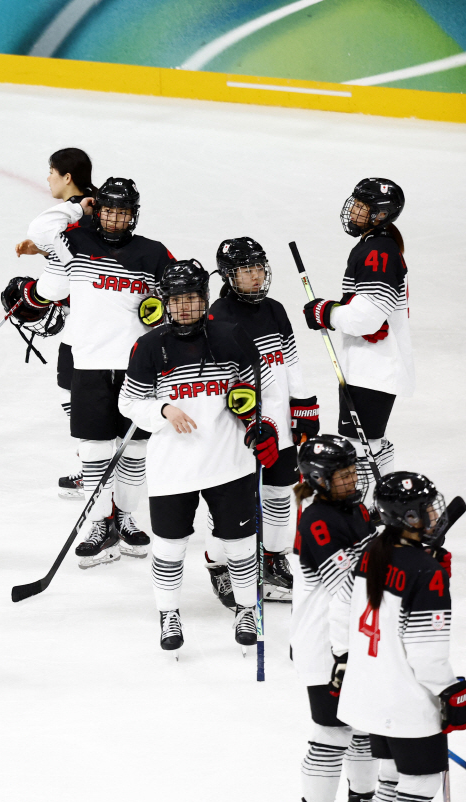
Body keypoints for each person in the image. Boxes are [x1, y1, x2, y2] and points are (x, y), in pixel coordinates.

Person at [5, 176, 172, 567]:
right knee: (94, 451)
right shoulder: (76, 245)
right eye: (109, 210)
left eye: (124, 212)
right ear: (99, 209)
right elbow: (39, 230)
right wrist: (78, 206)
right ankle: (99, 522)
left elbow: (180, 299)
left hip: (137, 368)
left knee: (133, 450)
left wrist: (162, 310)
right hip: (90, 364)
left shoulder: (152, 253)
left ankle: (126, 518)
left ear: (134, 215)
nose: (116, 219)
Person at [116, 260, 280, 651]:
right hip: (173, 469)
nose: (185, 307)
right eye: (177, 300)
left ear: (205, 299)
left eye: (192, 298)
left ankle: (245, 609)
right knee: (169, 547)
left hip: (230, 464)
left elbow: (256, 392)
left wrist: (262, 425)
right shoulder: (149, 345)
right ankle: (168, 614)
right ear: (165, 303)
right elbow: (128, 402)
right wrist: (163, 410)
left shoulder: (232, 336)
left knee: (240, 544)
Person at [331, 472, 458, 802]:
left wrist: (344, 656)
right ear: (410, 517)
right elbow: (425, 656)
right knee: (420, 784)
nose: (434, 513)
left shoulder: (371, 551)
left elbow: (340, 608)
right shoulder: (427, 574)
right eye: (427, 507)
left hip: (369, 692)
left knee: (389, 778)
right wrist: (449, 692)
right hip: (406, 703)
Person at [206, 237, 318, 603]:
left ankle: (272, 559)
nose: (255, 277)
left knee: (277, 494)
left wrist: (303, 410)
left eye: (258, 268)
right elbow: (221, 385)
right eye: (245, 270)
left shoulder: (275, 310)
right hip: (241, 431)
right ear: (228, 275)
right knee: (231, 502)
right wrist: (250, 423)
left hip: (280, 428)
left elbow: (290, 362)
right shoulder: (217, 317)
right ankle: (219, 565)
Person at [303, 178, 410, 505]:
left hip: (373, 368)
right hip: (374, 365)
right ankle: (382, 501)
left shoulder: (378, 250)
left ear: (380, 215)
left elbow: (368, 317)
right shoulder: (380, 243)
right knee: (373, 441)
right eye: (356, 203)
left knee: (359, 445)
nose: (354, 211)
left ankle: (368, 509)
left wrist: (327, 312)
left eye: (363, 207)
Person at [289, 434, 378, 802]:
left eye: (352, 472)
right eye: (342, 475)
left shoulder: (352, 508)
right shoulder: (317, 520)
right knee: (332, 731)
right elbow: (346, 585)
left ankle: (364, 796)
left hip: (353, 633)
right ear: (318, 479)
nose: (351, 480)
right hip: (325, 640)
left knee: (363, 727)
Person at [14, 147, 98, 500]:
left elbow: (63, 276)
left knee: (80, 397)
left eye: (51, 171)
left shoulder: (77, 211)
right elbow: (70, 251)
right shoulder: (89, 212)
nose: (47, 178)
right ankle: (92, 466)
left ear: (67, 177)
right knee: (76, 393)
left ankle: (92, 472)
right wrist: (43, 251)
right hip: (90, 320)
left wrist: (34, 295)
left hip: (88, 324)